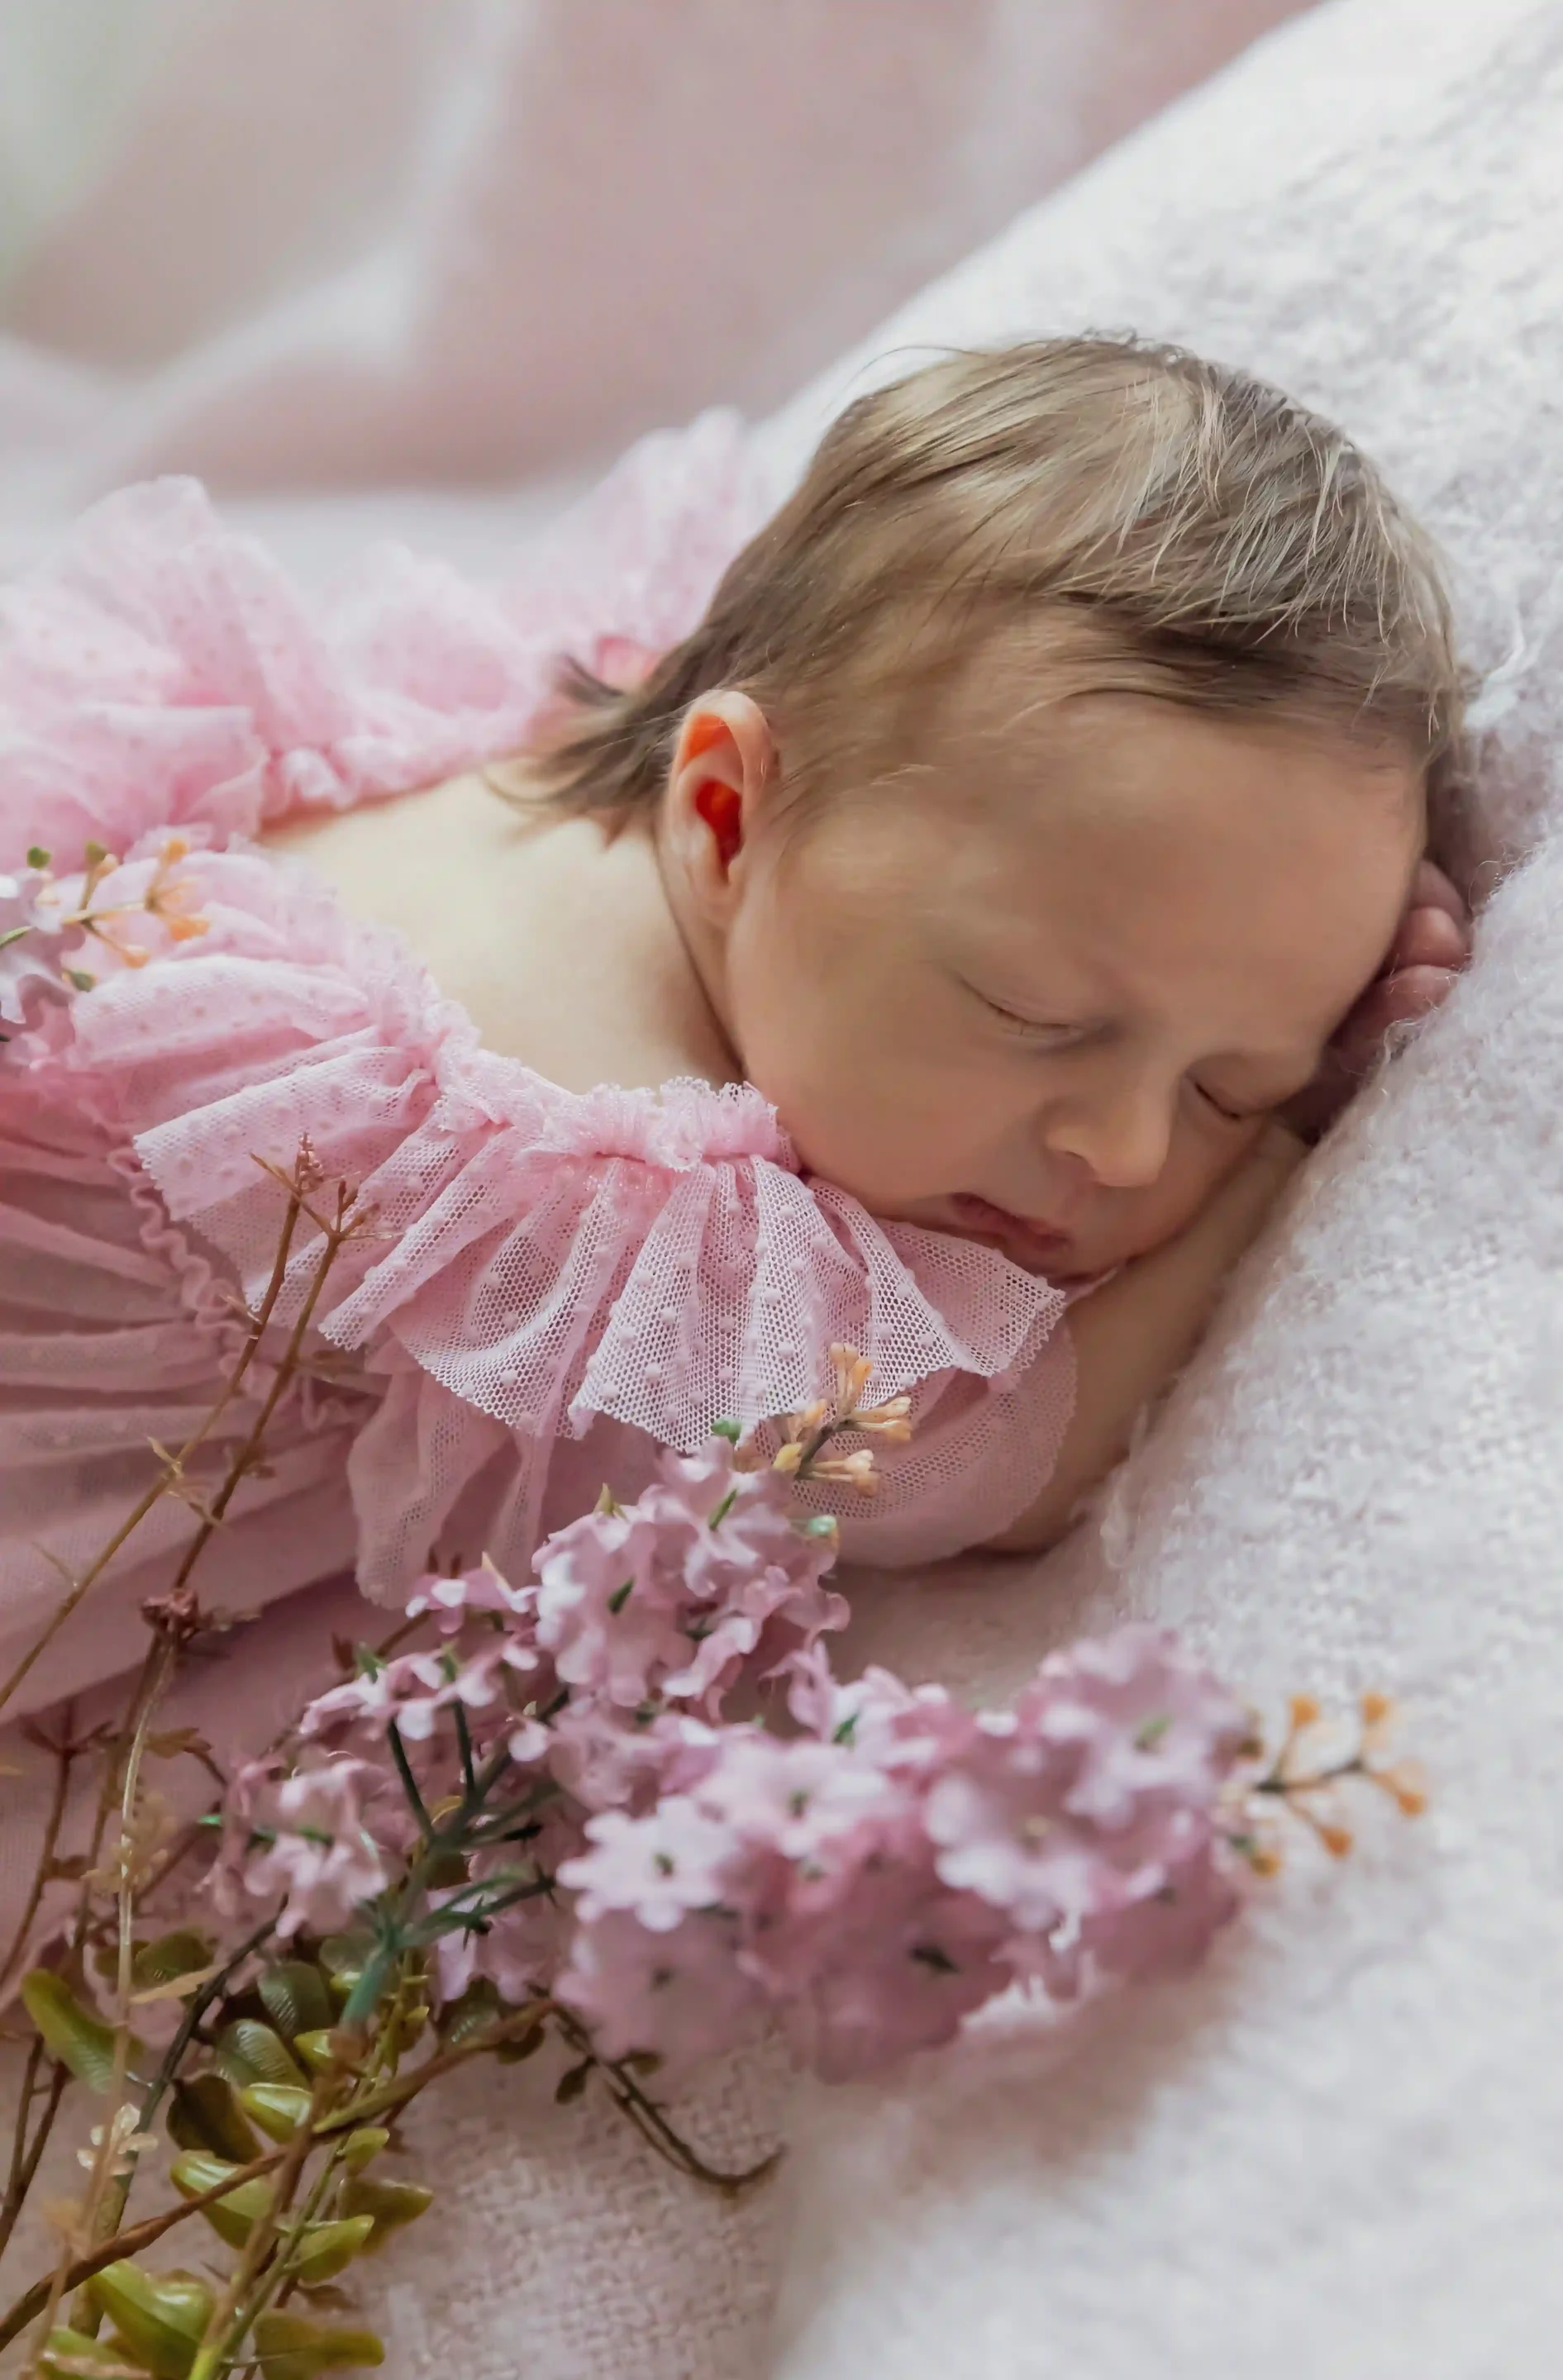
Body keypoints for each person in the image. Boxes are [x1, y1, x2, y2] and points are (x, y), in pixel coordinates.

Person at [0, 337, 1468, 1718]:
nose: (1127, 1149)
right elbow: (1000, 1459)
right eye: (1038, 1016)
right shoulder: (575, 1213)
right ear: (722, 812)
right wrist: (1286, 1144)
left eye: (1226, 1087)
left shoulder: (581, 755)